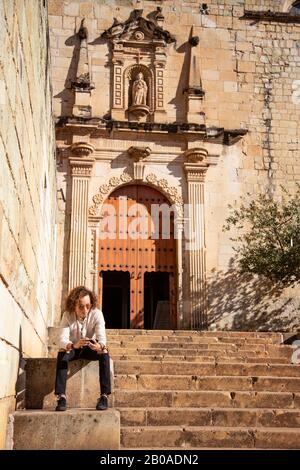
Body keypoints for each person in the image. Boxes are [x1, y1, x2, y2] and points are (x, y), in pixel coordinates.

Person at [54, 286, 111, 411]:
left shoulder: (97, 314)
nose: (85, 310)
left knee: (104, 351)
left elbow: (102, 338)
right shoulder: (67, 315)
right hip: (74, 348)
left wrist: (99, 346)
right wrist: (73, 345)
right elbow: (62, 340)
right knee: (62, 352)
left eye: (88, 306)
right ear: (73, 304)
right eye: (80, 306)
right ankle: (61, 397)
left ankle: (104, 396)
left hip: (90, 348)